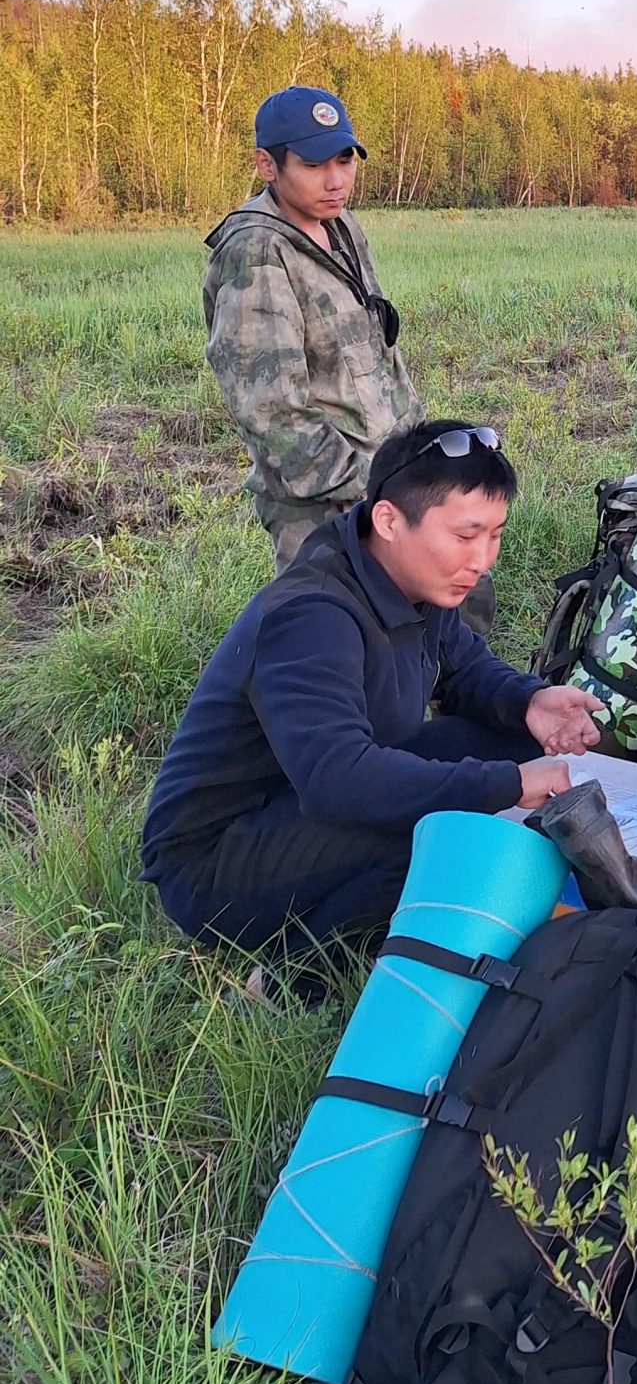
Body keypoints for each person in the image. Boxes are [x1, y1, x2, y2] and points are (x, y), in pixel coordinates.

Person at [142, 422, 601, 956]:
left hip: (304, 805)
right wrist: (501, 786)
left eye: (494, 535)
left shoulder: (413, 579)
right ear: (388, 519)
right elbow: (337, 779)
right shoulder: (312, 615)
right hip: (216, 862)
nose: (481, 560)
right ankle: (301, 970)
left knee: (514, 742)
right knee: (442, 818)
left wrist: (529, 702)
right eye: (464, 536)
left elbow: (468, 672)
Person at [205, 86, 426, 575]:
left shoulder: (341, 225)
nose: (335, 180)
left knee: (437, 616)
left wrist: (411, 452)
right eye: (313, 164)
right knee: (333, 634)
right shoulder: (258, 253)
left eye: (345, 161)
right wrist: (358, 490)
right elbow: (272, 410)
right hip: (325, 502)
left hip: (386, 471)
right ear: (268, 165)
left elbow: (374, 346)